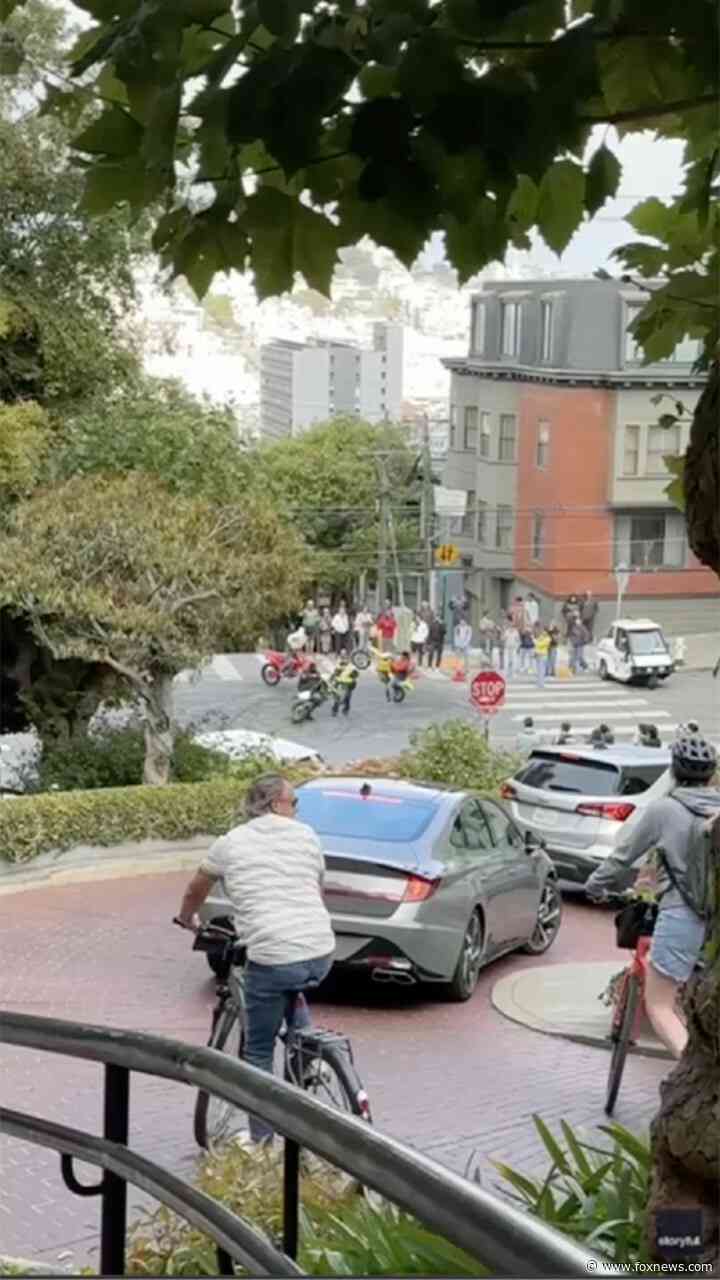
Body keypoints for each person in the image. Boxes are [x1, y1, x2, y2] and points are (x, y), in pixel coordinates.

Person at [175, 773, 335, 1144]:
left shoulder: (230, 842)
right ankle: (308, 1057)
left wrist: (187, 918)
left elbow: (197, 888)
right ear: (276, 804)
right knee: (292, 980)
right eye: (294, 802)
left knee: (258, 1051)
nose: (297, 810)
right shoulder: (307, 835)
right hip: (321, 949)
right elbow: (316, 887)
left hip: (273, 952)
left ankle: (262, 1143)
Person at [586, 734, 720, 1058]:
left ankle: (690, 1070)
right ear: (712, 775)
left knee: (660, 1004)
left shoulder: (663, 810)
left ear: (673, 771)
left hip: (682, 915)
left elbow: (623, 857)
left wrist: (595, 886)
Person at [533, 624, 551, 689]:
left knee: (542, 671)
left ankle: (541, 684)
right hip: (538, 655)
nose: (543, 632)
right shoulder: (541, 637)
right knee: (538, 671)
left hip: (543, 655)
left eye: (544, 631)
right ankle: (539, 683)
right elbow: (536, 646)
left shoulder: (548, 638)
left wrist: (535, 641)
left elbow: (539, 645)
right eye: (543, 631)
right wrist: (535, 652)